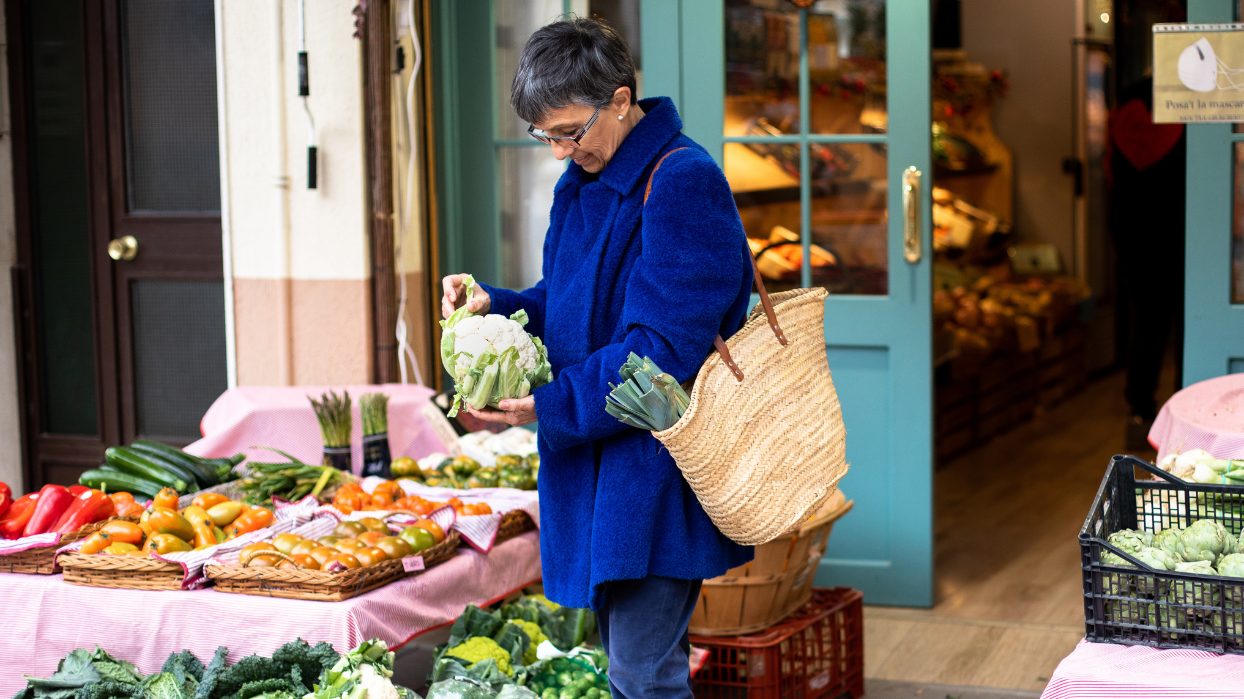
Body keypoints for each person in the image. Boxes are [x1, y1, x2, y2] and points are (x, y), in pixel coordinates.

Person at [440, 17, 753, 699]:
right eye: (544, 136)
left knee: (643, 675)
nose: (559, 151)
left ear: (619, 99)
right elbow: (569, 303)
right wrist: (496, 304)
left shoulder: (683, 181)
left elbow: (659, 353)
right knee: (633, 670)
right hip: (597, 466)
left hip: (653, 474)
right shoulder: (584, 177)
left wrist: (548, 404)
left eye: (569, 131)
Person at [1107, 74, 1185, 450]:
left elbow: (1110, 163)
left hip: (1130, 222)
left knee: (1149, 318)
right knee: (1188, 317)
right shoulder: (1191, 99)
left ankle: (1140, 411)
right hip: (1179, 222)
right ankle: (1187, 407)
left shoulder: (1128, 98)